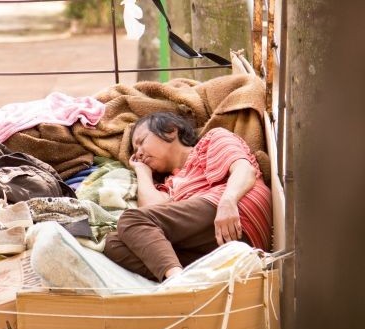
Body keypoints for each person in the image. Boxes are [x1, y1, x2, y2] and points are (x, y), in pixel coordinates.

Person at [103, 112, 272, 282]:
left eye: (141, 142)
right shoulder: (169, 185)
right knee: (112, 243)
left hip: (238, 211)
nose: (138, 153)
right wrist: (142, 171)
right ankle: (184, 277)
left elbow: (245, 170)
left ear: (171, 130)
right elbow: (149, 214)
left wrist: (228, 201)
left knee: (129, 219)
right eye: (135, 150)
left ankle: (177, 282)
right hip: (216, 244)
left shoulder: (212, 139)